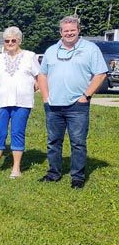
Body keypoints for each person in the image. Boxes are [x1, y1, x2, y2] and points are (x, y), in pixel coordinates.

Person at [38, 16, 107, 189]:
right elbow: (42, 74)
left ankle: (77, 177)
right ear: (60, 32)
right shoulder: (51, 51)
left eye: (72, 30)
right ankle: (53, 173)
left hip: (78, 105)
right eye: (65, 30)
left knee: (78, 142)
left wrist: (86, 95)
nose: (69, 33)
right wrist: (45, 97)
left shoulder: (90, 49)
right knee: (53, 141)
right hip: (53, 105)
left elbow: (101, 74)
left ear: (78, 30)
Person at [0, 27, 39, 178]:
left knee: (17, 132)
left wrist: (33, 89)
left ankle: (16, 168)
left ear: (19, 41)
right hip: (1, 102)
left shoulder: (29, 56)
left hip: (22, 103)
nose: (10, 43)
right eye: (7, 41)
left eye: (14, 40)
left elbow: (39, 77)